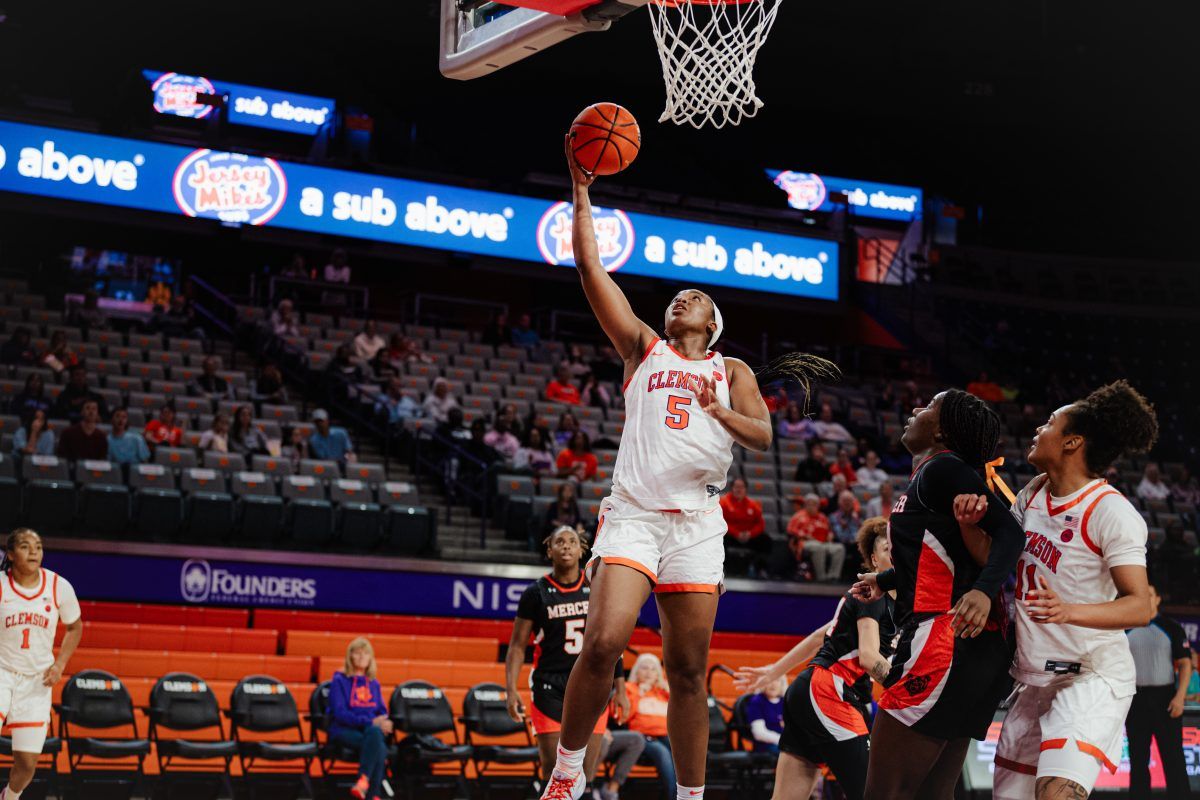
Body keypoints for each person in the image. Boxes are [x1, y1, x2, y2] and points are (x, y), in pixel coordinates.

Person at [539, 138, 836, 800]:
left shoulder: (731, 371)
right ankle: (565, 773)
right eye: (678, 296)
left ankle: (692, 796)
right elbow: (591, 270)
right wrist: (582, 189)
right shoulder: (642, 347)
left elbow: (761, 436)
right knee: (604, 643)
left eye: (696, 297)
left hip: (698, 524)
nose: (684, 298)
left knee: (689, 670)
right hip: (636, 516)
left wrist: (721, 413)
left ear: (714, 322)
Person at [955, 380, 1161, 800]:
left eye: (1049, 423)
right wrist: (967, 524)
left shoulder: (1111, 511)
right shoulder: (1032, 495)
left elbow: (1140, 606)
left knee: (1055, 794)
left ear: (1072, 442)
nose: (1037, 429)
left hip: (1091, 676)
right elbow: (993, 558)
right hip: (1033, 680)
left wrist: (1069, 611)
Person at [851, 389, 1024, 800]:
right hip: (972, 646)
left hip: (945, 639)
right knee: (933, 793)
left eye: (927, 406)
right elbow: (948, 553)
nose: (915, 409)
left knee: (883, 794)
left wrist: (984, 591)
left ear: (943, 430)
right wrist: (888, 579)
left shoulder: (943, 469)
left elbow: (1010, 533)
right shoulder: (938, 472)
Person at [735, 517, 895, 800]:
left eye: (899, 546)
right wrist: (910, 688)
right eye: (886, 548)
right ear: (873, 559)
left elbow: (818, 637)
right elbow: (870, 658)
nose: (895, 552)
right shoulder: (872, 593)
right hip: (830, 693)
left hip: (809, 691)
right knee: (874, 793)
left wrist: (774, 670)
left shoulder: (896, 602)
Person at [506, 527, 630, 785]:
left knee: (587, 772)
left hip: (591, 684)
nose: (566, 546)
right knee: (554, 772)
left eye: (572, 541)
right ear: (549, 550)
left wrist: (621, 689)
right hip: (549, 688)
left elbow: (610, 644)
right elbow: (517, 646)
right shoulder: (535, 593)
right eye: (559, 542)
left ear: (581, 549)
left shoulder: (596, 587)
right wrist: (510, 688)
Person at [0, 529, 83, 800]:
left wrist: (59, 665)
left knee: (26, 764)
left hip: (37, 681)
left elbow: (74, 627)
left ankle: (9, 798)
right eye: (25, 546)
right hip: (2, 672)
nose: (34, 551)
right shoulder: (1, 585)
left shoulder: (59, 586)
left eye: (38, 546)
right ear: (11, 555)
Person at [1126, 585, 1192, 800]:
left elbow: (1185, 663)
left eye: (1149, 595)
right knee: (1138, 761)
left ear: (1157, 599)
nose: (1145, 598)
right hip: (1135, 699)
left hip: (1166, 699)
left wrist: (1180, 697)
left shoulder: (1170, 628)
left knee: (1174, 759)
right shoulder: (1124, 628)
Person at [327, 638, 390, 800]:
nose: (362, 657)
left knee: (376, 736)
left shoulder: (373, 683)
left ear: (371, 658)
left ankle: (363, 782)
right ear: (350, 656)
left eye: (366, 653)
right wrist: (369, 722)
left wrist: (386, 721)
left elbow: (382, 710)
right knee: (379, 745)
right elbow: (340, 714)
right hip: (343, 730)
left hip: (369, 732)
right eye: (357, 653)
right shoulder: (339, 680)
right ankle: (374, 795)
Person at [625, 653, 675, 799]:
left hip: (666, 735)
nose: (648, 672)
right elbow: (623, 717)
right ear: (636, 671)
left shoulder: (662, 692)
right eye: (644, 668)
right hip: (641, 737)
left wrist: (670, 692)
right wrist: (639, 694)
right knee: (663, 753)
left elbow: (681, 714)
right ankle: (672, 796)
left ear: (658, 674)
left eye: (653, 669)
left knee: (681, 752)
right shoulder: (629, 689)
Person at [786, 494, 842, 582]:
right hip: (805, 543)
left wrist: (830, 535)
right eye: (809, 504)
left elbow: (829, 530)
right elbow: (790, 530)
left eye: (814, 504)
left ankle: (833, 577)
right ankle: (821, 578)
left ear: (818, 506)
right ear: (805, 505)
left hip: (824, 542)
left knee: (839, 548)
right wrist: (804, 535)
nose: (812, 507)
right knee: (818, 547)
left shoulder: (822, 517)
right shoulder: (799, 516)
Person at [719, 478, 771, 565]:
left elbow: (760, 523)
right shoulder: (723, 502)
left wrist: (750, 533)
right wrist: (736, 533)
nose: (739, 490)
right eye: (736, 487)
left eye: (742, 487)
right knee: (720, 538)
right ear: (732, 488)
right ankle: (723, 567)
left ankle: (760, 568)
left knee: (765, 540)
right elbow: (720, 522)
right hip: (730, 535)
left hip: (747, 536)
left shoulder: (752, 504)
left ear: (746, 489)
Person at [594, 729, 647, 800]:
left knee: (637, 740)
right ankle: (587, 788)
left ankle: (610, 792)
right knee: (603, 740)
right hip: (590, 731)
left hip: (607, 731)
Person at [742, 676, 786, 754]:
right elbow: (759, 733)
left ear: (782, 684)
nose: (773, 684)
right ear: (763, 683)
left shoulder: (785, 702)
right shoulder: (757, 701)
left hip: (784, 745)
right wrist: (785, 742)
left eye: (777, 680)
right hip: (766, 747)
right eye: (770, 680)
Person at [828, 490, 863, 577]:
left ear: (853, 503)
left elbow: (859, 534)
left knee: (862, 547)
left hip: (853, 544)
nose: (847, 503)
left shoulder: (856, 517)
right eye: (845, 501)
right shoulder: (834, 517)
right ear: (839, 503)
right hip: (839, 543)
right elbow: (840, 536)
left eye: (849, 501)